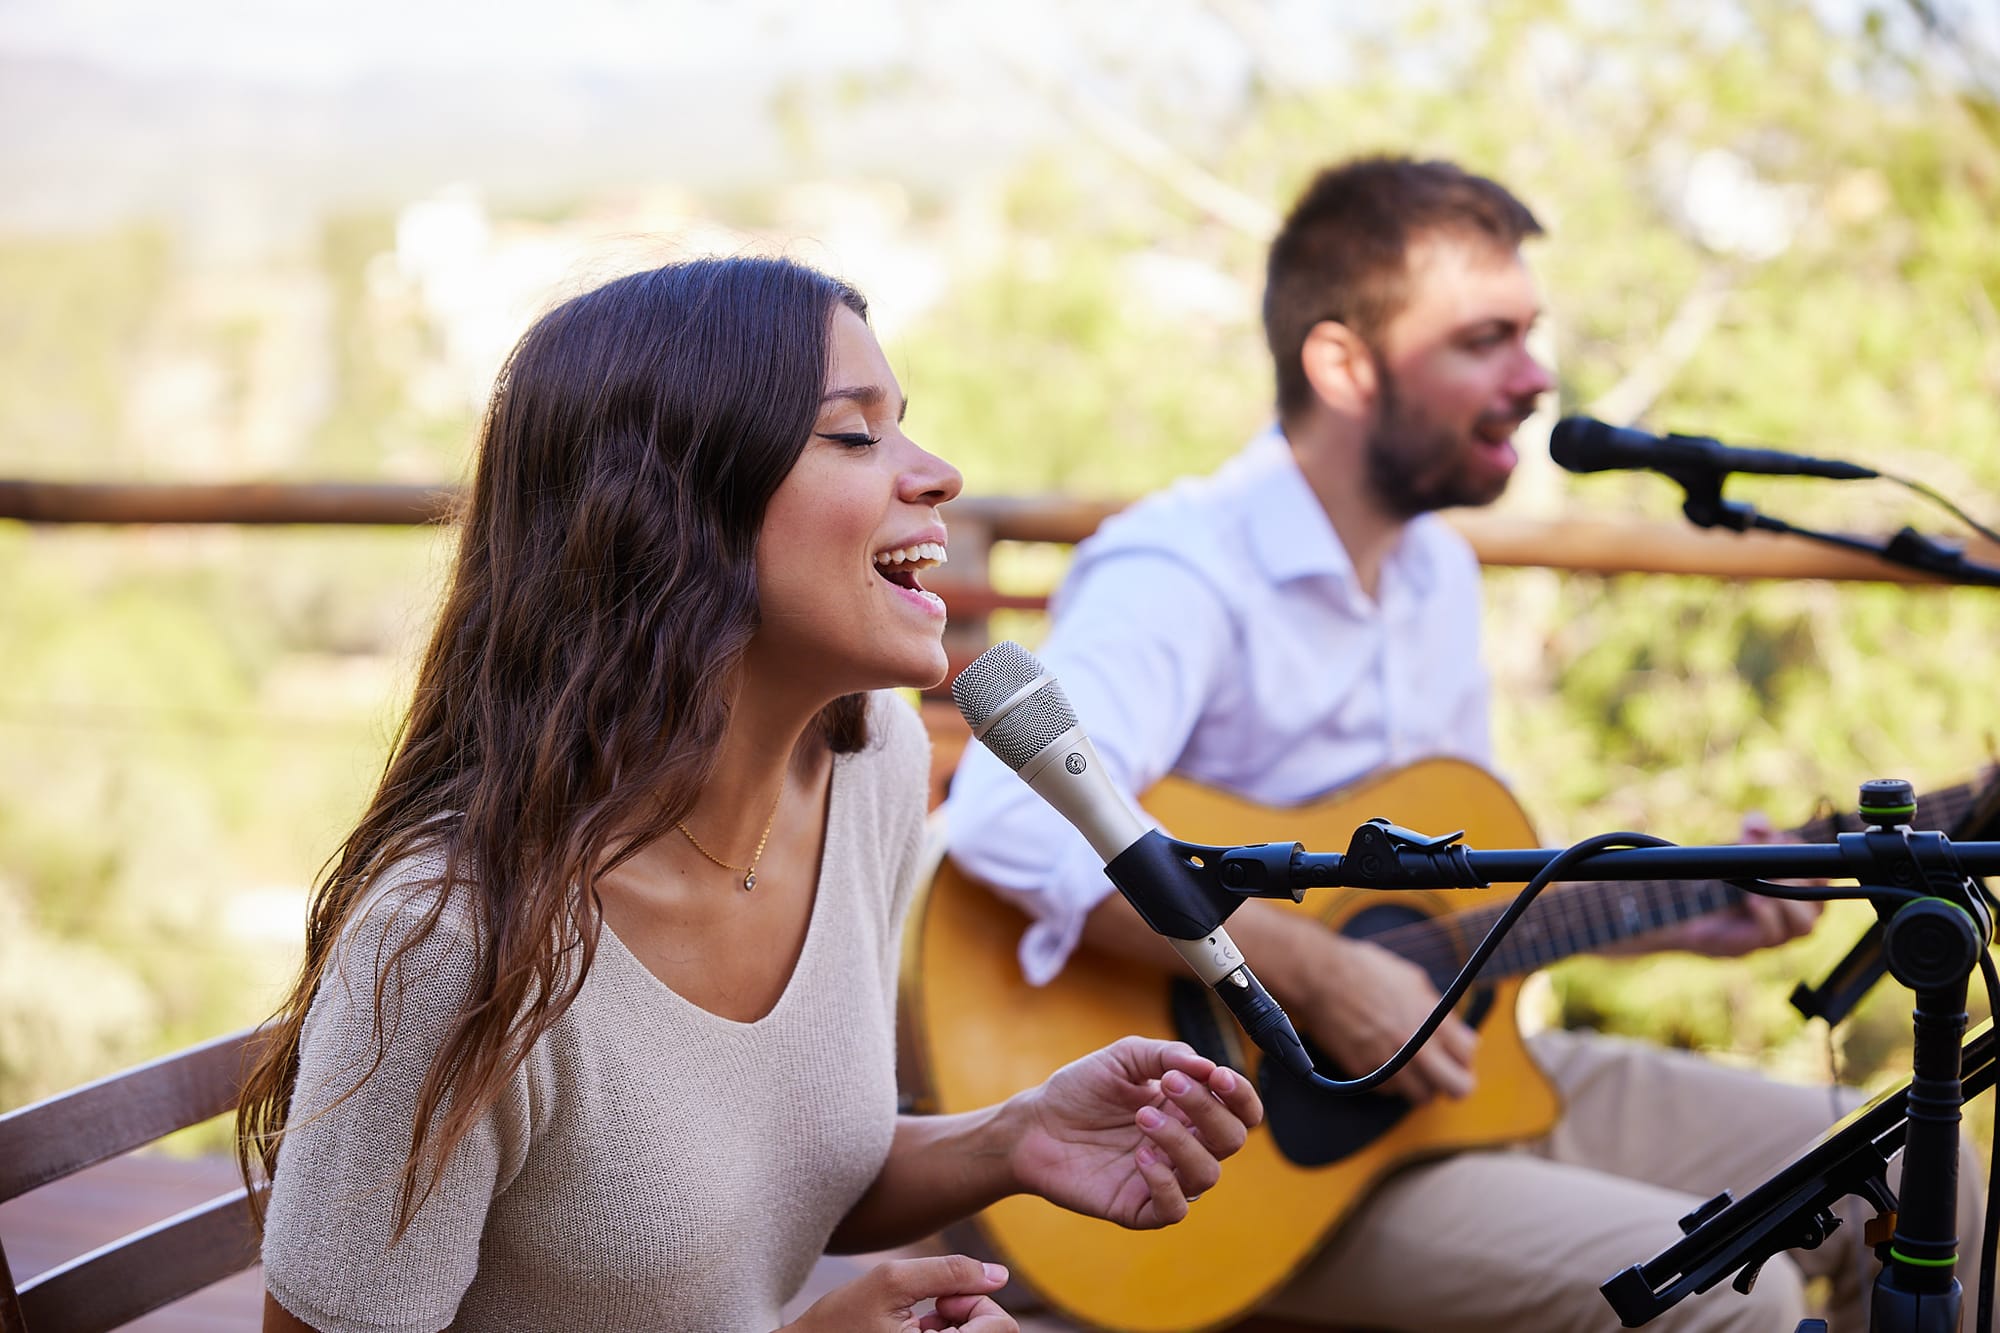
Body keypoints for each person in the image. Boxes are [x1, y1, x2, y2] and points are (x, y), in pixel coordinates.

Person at [945, 155, 1985, 1332]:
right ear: (1341, 364)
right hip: (1231, 1159)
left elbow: (1438, 921)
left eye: (1528, 335)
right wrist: (1317, 969)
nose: (1534, 378)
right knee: (1717, 1301)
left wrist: (1664, 915)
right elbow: (1003, 814)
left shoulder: (1434, 570)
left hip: (1450, 1088)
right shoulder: (1180, 569)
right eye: (1485, 340)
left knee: (1919, 1170)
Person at [234, 255, 1263, 1333]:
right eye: (855, 435)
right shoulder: (451, 940)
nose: (937, 474)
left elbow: (767, 1180)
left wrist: (1011, 1138)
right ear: (674, 508)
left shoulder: (870, 770)